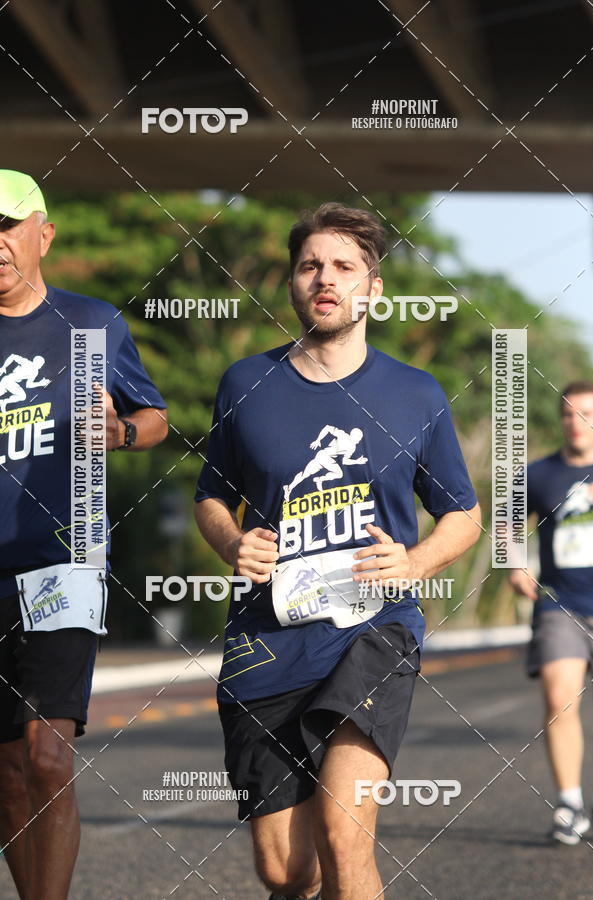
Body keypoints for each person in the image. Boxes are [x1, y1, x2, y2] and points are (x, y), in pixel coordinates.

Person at [195, 202, 480, 899]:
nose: (326, 278)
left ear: (373, 288)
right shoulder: (245, 384)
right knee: (285, 872)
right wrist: (235, 541)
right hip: (267, 641)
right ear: (292, 283)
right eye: (310, 265)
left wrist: (414, 564)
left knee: (344, 833)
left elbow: (464, 516)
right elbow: (209, 498)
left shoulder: (415, 393)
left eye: (345, 266)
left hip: (372, 632)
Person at [0, 170, 168, 899]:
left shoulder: (91, 324)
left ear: (44, 234)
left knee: (48, 759)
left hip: (64, 564)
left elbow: (155, 418)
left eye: (8, 226)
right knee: (7, 771)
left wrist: (121, 430)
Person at [509, 380, 593, 845]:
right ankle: (569, 804)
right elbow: (507, 521)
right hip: (560, 604)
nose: (576, 422)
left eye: (586, 413)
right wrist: (514, 560)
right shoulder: (538, 474)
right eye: (568, 414)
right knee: (560, 695)